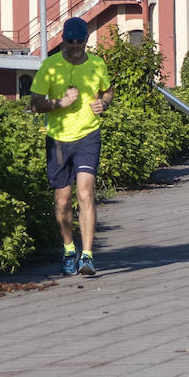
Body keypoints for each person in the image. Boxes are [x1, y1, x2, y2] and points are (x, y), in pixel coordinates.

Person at [30, 17, 116, 277]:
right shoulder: (50, 66)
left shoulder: (97, 64)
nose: (76, 47)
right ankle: (69, 249)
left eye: (80, 42)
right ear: (64, 41)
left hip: (88, 136)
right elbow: (35, 104)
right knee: (62, 200)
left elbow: (108, 91)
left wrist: (104, 103)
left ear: (86, 41)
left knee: (85, 193)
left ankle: (87, 256)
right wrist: (59, 103)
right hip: (58, 139)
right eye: (71, 42)